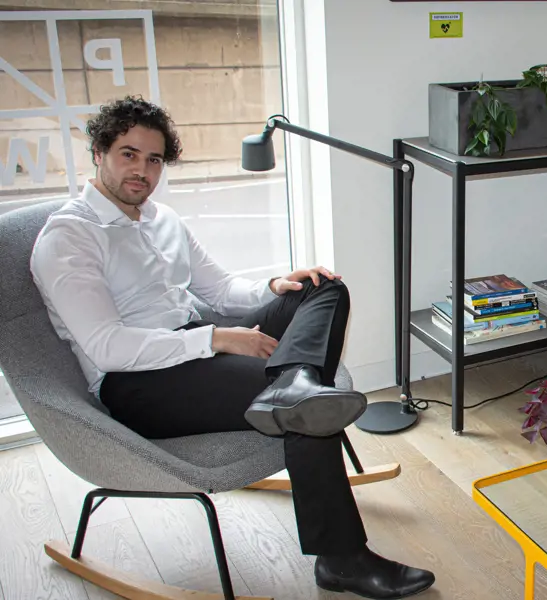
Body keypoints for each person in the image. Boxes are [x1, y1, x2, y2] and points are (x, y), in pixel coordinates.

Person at [30, 96, 435, 599]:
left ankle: (294, 386)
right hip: (136, 384)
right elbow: (109, 347)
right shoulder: (69, 238)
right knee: (304, 409)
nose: (142, 170)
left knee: (323, 288)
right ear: (99, 152)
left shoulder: (161, 219)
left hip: (196, 350)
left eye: (153, 159)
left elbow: (220, 291)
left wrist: (275, 285)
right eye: (128, 154)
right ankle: (342, 559)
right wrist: (217, 339)